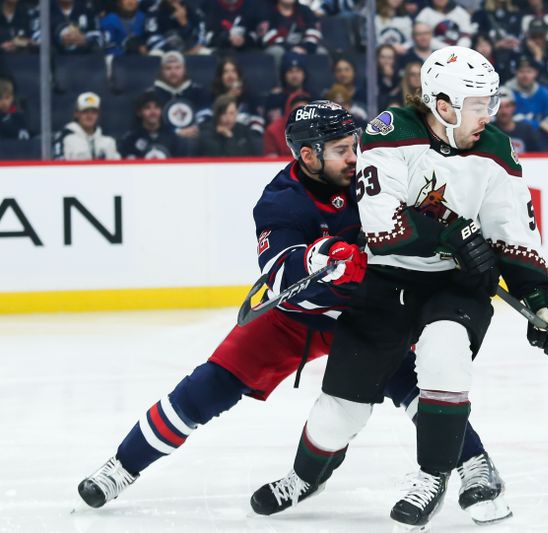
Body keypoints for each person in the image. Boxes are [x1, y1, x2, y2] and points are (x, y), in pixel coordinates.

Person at [78, 102, 511, 528]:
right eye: (341, 149)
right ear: (308, 155)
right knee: (207, 387)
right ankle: (122, 466)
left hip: (369, 315)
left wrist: (459, 242)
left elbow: (423, 217)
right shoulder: (281, 201)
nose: (354, 156)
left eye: (354, 144)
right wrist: (321, 257)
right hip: (295, 318)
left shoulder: (375, 174)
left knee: (424, 388)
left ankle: (474, 464)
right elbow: (281, 271)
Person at [250, 46, 548, 531]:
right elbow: (383, 229)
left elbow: (512, 233)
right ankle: (305, 476)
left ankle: (432, 475)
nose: (490, 113)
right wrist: (453, 234)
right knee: (340, 410)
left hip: (456, 286)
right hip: (388, 280)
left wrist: (543, 296)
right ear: (443, 106)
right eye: (478, 104)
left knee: (445, 351)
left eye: (491, 101)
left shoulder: (496, 150)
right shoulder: (389, 133)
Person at [152, 50, 212, 139]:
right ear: (162, 71)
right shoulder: (152, 94)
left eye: (177, 67)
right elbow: (152, 120)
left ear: (184, 69)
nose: (173, 72)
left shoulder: (198, 91)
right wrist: (176, 131)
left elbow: (206, 114)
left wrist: (195, 128)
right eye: (168, 68)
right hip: (165, 138)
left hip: (195, 135)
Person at [504, 54, 548, 139]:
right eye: (521, 71)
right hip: (515, 137)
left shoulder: (544, 92)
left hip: (541, 135)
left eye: (529, 71)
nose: (525, 75)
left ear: (535, 73)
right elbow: (512, 118)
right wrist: (540, 125)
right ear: (516, 73)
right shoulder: (507, 92)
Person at [53, 92, 120, 160]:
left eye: (94, 112)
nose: (89, 116)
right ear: (76, 114)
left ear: (98, 115)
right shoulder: (65, 139)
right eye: (85, 112)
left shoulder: (109, 141)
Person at [118, 90, 183, 159]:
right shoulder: (130, 140)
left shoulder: (172, 138)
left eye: (156, 107)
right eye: (147, 108)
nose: (153, 112)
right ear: (139, 112)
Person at [210, 56, 265, 137]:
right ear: (220, 77)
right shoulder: (212, 96)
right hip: (218, 139)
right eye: (226, 72)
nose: (230, 75)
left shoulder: (250, 96)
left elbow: (258, 124)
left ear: (239, 75)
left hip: (245, 142)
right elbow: (207, 123)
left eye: (233, 71)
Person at [197, 94, 262, 157]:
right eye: (224, 113)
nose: (228, 118)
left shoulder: (244, 131)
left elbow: (243, 157)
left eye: (231, 113)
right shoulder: (206, 130)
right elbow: (215, 156)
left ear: (237, 113)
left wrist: (230, 137)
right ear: (217, 114)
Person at [494, 86, 539, 152]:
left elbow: (538, 156)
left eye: (507, 106)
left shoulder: (526, 130)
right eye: (499, 107)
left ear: (514, 107)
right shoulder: (489, 131)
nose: (504, 111)